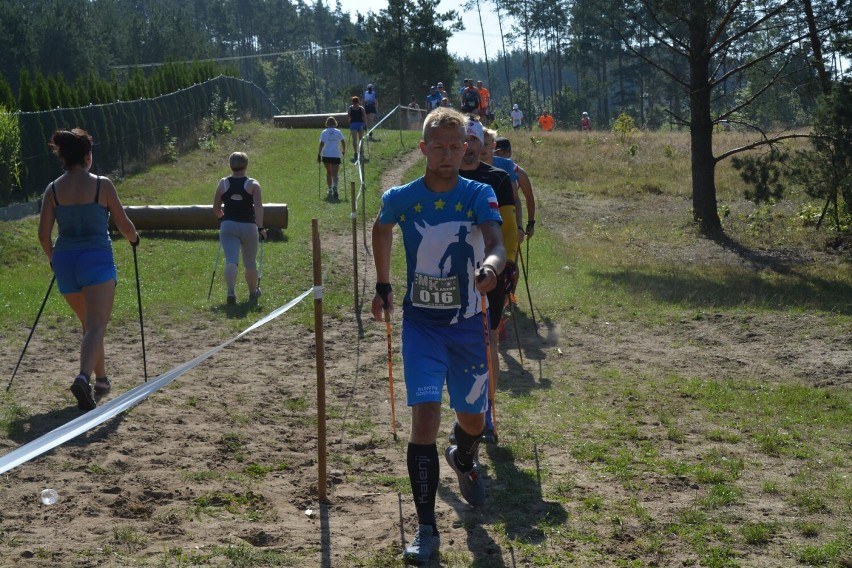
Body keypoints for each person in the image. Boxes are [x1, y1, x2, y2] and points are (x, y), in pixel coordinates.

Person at [371, 107, 506, 564]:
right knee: (423, 422)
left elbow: (495, 241)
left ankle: (463, 457)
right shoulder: (402, 196)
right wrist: (383, 284)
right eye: (439, 147)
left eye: (457, 146)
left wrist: (490, 265)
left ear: (466, 147)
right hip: (422, 327)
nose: (449, 155)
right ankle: (426, 530)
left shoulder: (478, 193)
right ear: (423, 148)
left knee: (474, 421)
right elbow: (381, 228)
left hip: (468, 326)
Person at [37, 128, 140, 411]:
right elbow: (124, 224)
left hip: (66, 262)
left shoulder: (52, 190)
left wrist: (52, 259)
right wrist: (134, 239)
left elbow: (44, 235)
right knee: (96, 325)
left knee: (90, 326)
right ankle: (83, 377)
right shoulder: (102, 185)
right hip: (96, 260)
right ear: (87, 157)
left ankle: (102, 380)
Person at [461, 121, 523, 444]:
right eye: (466, 140)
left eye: (476, 140)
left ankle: (486, 412)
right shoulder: (446, 177)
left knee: (489, 343)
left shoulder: (497, 178)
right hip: (455, 276)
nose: (471, 146)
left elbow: (509, 227)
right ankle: (464, 412)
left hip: (491, 273)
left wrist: (507, 264)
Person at [213, 152, 266, 305]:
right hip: (249, 226)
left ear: (230, 165)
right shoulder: (253, 184)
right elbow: (258, 207)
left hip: (228, 225)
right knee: (250, 263)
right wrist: (260, 227)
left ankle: (230, 291)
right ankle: (252, 292)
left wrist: (223, 219)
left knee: (231, 260)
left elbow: (216, 208)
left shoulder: (223, 183)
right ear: (246, 165)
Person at [494, 137, 536, 239]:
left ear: (510, 152)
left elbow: (529, 197)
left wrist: (530, 223)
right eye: (497, 153)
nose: (501, 156)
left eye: (504, 153)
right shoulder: (487, 169)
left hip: (511, 216)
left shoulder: (520, 173)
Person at [317, 116, 346, 200]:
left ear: (327, 123)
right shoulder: (338, 132)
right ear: (335, 123)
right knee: (335, 173)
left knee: (329, 172)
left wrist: (319, 154)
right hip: (336, 155)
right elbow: (343, 141)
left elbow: (322, 143)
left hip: (326, 155)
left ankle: (329, 188)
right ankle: (335, 187)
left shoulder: (324, 132)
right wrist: (343, 150)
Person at [347, 96, 366, 163]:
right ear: (358, 101)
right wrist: (365, 124)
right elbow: (364, 117)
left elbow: (348, 116)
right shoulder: (361, 108)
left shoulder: (350, 108)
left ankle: (355, 152)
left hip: (353, 124)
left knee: (354, 139)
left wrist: (349, 122)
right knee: (361, 139)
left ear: (352, 101)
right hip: (360, 124)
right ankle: (361, 151)